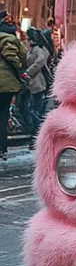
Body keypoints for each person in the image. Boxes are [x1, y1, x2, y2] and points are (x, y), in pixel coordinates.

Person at [0, 10, 27, 160]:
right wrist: (20, 70)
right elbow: (15, 56)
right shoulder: (10, 39)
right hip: (7, 85)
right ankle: (2, 148)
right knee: (3, 116)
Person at [23, 29, 50, 146]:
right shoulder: (33, 49)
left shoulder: (39, 49)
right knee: (32, 109)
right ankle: (36, 135)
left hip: (38, 84)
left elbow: (40, 62)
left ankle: (37, 136)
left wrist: (27, 72)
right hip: (32, 84)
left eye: (29, 39)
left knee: (35, 110)